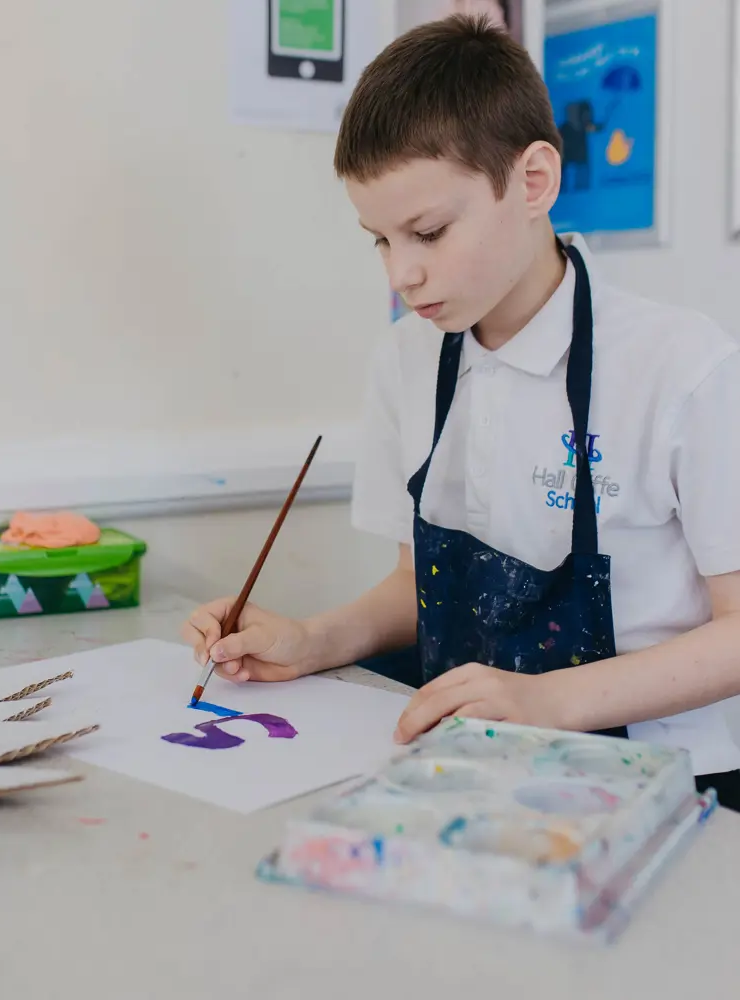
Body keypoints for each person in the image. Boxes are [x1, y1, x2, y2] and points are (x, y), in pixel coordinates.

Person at [182, 16, 740, 808]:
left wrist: (549, 702)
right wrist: (313, 641)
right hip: (468, 771)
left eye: (429, 232)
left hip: (668, 788)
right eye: (378, 240)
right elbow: (416, 585)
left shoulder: (682, 368)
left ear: (535, 182)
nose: (402, 274)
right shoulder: (406, 359)